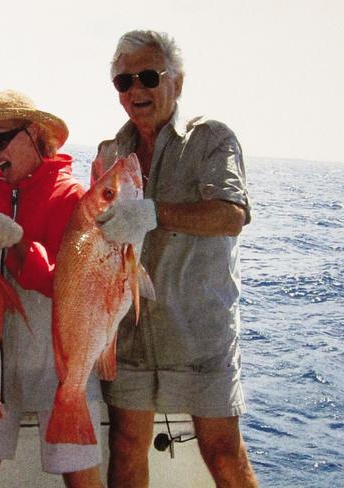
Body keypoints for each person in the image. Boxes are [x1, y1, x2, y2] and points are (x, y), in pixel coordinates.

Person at [91, 30, 258, 488]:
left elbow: (231, 214)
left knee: (223, 452)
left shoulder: (212, 139)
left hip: (200, 333)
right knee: (125, 446)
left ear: (177, 83)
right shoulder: (109, 154)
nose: (136, 90)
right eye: (124, 82)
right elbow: (95, 241)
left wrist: (152, 212)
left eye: (148, 76)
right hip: (129, 333)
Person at [0, 90, 104, 488]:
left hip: (61, 364)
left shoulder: (74, 199)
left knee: (81, 478)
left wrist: (18, 243)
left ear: (34, 133)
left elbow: (68, 287)